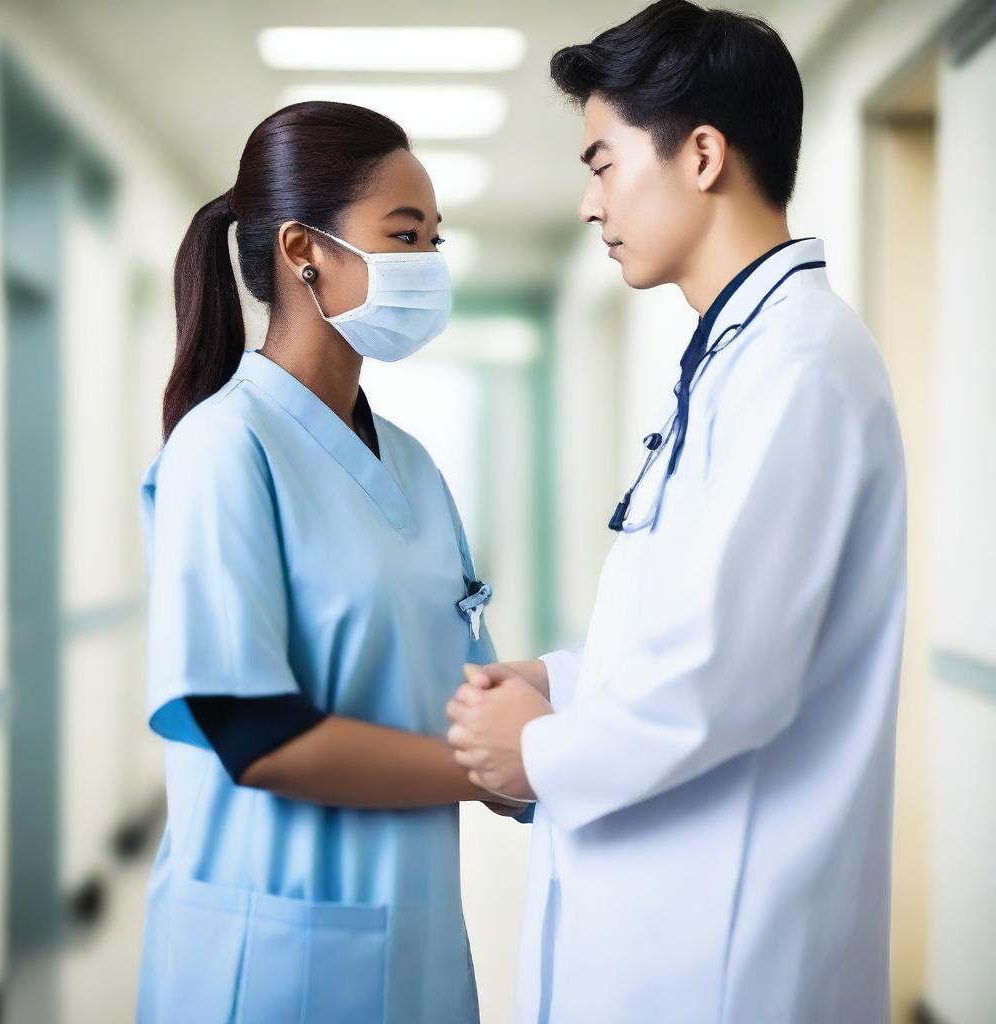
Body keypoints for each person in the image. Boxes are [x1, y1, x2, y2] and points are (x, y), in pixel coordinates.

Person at [446, 2, 907, 1021]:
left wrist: (537, 750)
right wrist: (554, 681)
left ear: (700, 154)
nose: (586, 202)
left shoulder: (798, 365)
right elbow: (691, 622)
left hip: (728, 954)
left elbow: (725, 679)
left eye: (602, 162)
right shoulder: (734, 356)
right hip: (677, 921)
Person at [136, 100, 528, 1024]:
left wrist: (580, 741)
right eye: (403, 235)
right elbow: (252, 731)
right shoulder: (224, 448)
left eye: (434, 239)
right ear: (302, 250)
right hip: (272, 956)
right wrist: (504, 770)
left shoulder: (415, 466)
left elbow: (470, 695)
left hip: (417, 943)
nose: (428, 265)